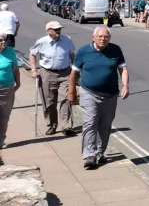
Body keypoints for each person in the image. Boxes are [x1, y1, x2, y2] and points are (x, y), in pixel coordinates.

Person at [69, 26, 129, 169]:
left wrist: (125, 85)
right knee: (90, 123)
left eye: (106, 37)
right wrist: (71, 92)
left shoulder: (115, 50)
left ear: (109, 38)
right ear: (93, 37)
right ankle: (89, 155)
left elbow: (123, 69)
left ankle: (99, 152)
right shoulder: (84, 51)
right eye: (100, 37)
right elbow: (74, 73)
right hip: (89, 92)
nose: (103, 39)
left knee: (105, 125)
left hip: (111, 94)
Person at [29, 21, 76, 137]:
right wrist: (34, 70)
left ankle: (66, 126)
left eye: (59, 29)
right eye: (55, 30)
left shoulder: (67, 39)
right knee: (49, 102)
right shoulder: (42, 42)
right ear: (48, 31)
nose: (58, 32)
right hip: (47, 73)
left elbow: (72, 55)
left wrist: (75, 70)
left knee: (66, 99)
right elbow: (32, 54)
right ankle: (52, 125)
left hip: (65, 73)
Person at [0, 39, 20, 166]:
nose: (4, 42)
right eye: (0, 40)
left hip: (7, 88)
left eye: (4, 39)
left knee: (4, 115)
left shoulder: (10, 52)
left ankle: (1, 140)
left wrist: (18, 82)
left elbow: (15, 67)